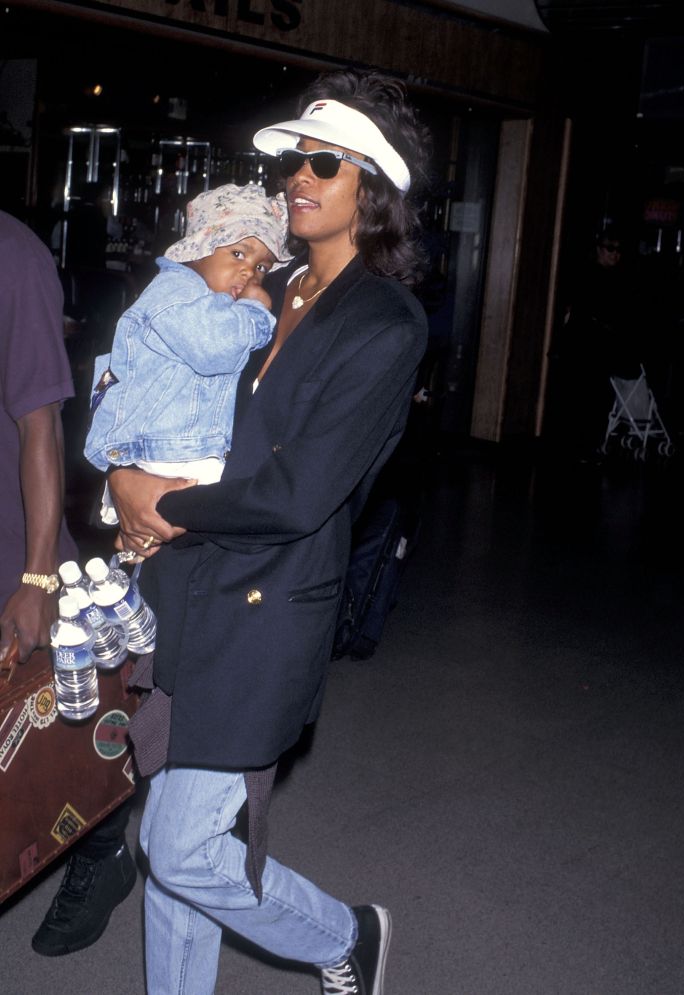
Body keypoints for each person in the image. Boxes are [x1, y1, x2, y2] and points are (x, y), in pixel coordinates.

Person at [107, 68, 430, 994]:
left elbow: (296, 494)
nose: (297, 175)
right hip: (185, 589)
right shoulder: (265, 280)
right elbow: (150, 366)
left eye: (323, 162)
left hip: (266, 609)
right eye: (295, 157)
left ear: (373, 189)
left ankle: (344, 936)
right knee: (174, 841)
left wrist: (162, 504)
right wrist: (125, 468)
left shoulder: (385, 323)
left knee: (183, 851)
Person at [0, 209, 136, 957]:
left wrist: (37, 571)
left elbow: (40, 426)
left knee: (61, 729)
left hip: (15, 545)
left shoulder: (10, 253)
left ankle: (104, 847)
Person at [84, 182, 291, 520]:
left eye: (261, 267)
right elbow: (216, 349)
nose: (248, 272)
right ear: (198, 248)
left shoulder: (205, 301)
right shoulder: (177, 292)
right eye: (238, 253)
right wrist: (255, 312)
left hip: (170, 453)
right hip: (166, 453)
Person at [556, 227, 641, 462]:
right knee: (581, 396)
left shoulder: (618, 279)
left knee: (597, 398)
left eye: (618, 250)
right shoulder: (587, 274)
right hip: (583, 346)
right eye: (610, 249)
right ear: (599, 249)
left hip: (600, 348)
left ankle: (589, 445)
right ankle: (577, 445)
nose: (615, 255)